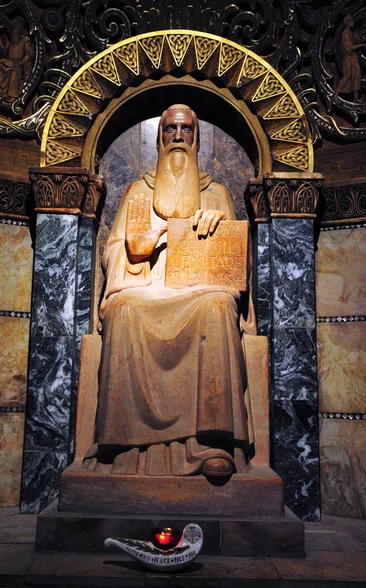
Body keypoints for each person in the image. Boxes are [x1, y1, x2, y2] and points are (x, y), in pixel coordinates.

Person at [85, 104, 256, 480]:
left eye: (186, 130)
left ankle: (213, 444)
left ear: (196, 137)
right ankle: (127, 446)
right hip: (146, 286)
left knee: (217, 306)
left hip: (199, 289)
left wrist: (219, 227)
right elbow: (113, 250)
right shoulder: (137, 192)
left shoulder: (216, 193)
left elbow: (237, 265)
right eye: (170, 130)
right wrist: (144, 244)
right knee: (124, 310)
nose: (178, 137)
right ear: (160, 137)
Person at [0, 16, 33, 101]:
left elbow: (29, 55)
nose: (14, 30)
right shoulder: (11, 40)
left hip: (19, 64)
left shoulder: (26, 40)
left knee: (14, 71)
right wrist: (0, 43)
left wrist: (22, 62)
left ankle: (13, 95)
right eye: (13, 28)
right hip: (9, 61)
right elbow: (5, 52)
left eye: (16, 28)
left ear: (21, 29)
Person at [333, 15, 366, 102]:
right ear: (347, 23)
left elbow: (357, 41)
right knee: (347, 76)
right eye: (351, 21)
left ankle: (355, 98)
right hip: (348, 57)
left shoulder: (350, 32)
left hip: (353, 57)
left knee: (357, 76)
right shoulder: (345, 33)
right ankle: (336, 94)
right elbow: (349, 48)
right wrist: (362, 45)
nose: (353, 22)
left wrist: (362, 41)